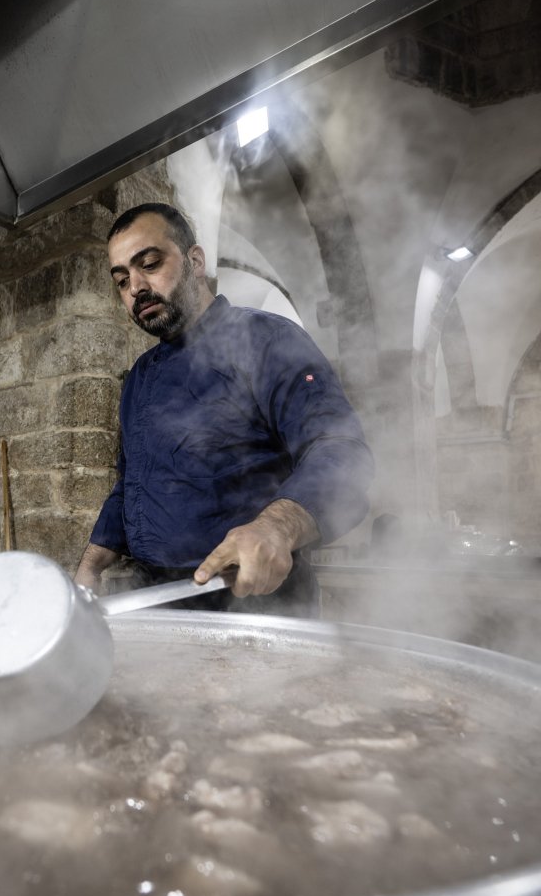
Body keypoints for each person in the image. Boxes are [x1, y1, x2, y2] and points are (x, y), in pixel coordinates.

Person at [73, 203, 374, 616]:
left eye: (150, 263)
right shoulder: (141, 376)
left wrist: (276, 528)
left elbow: (341, 450)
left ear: (195, 261)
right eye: (122, 280)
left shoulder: (267, 340)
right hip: (157, 598)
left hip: (254, 599)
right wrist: (88, 568)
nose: (136, 287)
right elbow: (130, 484)